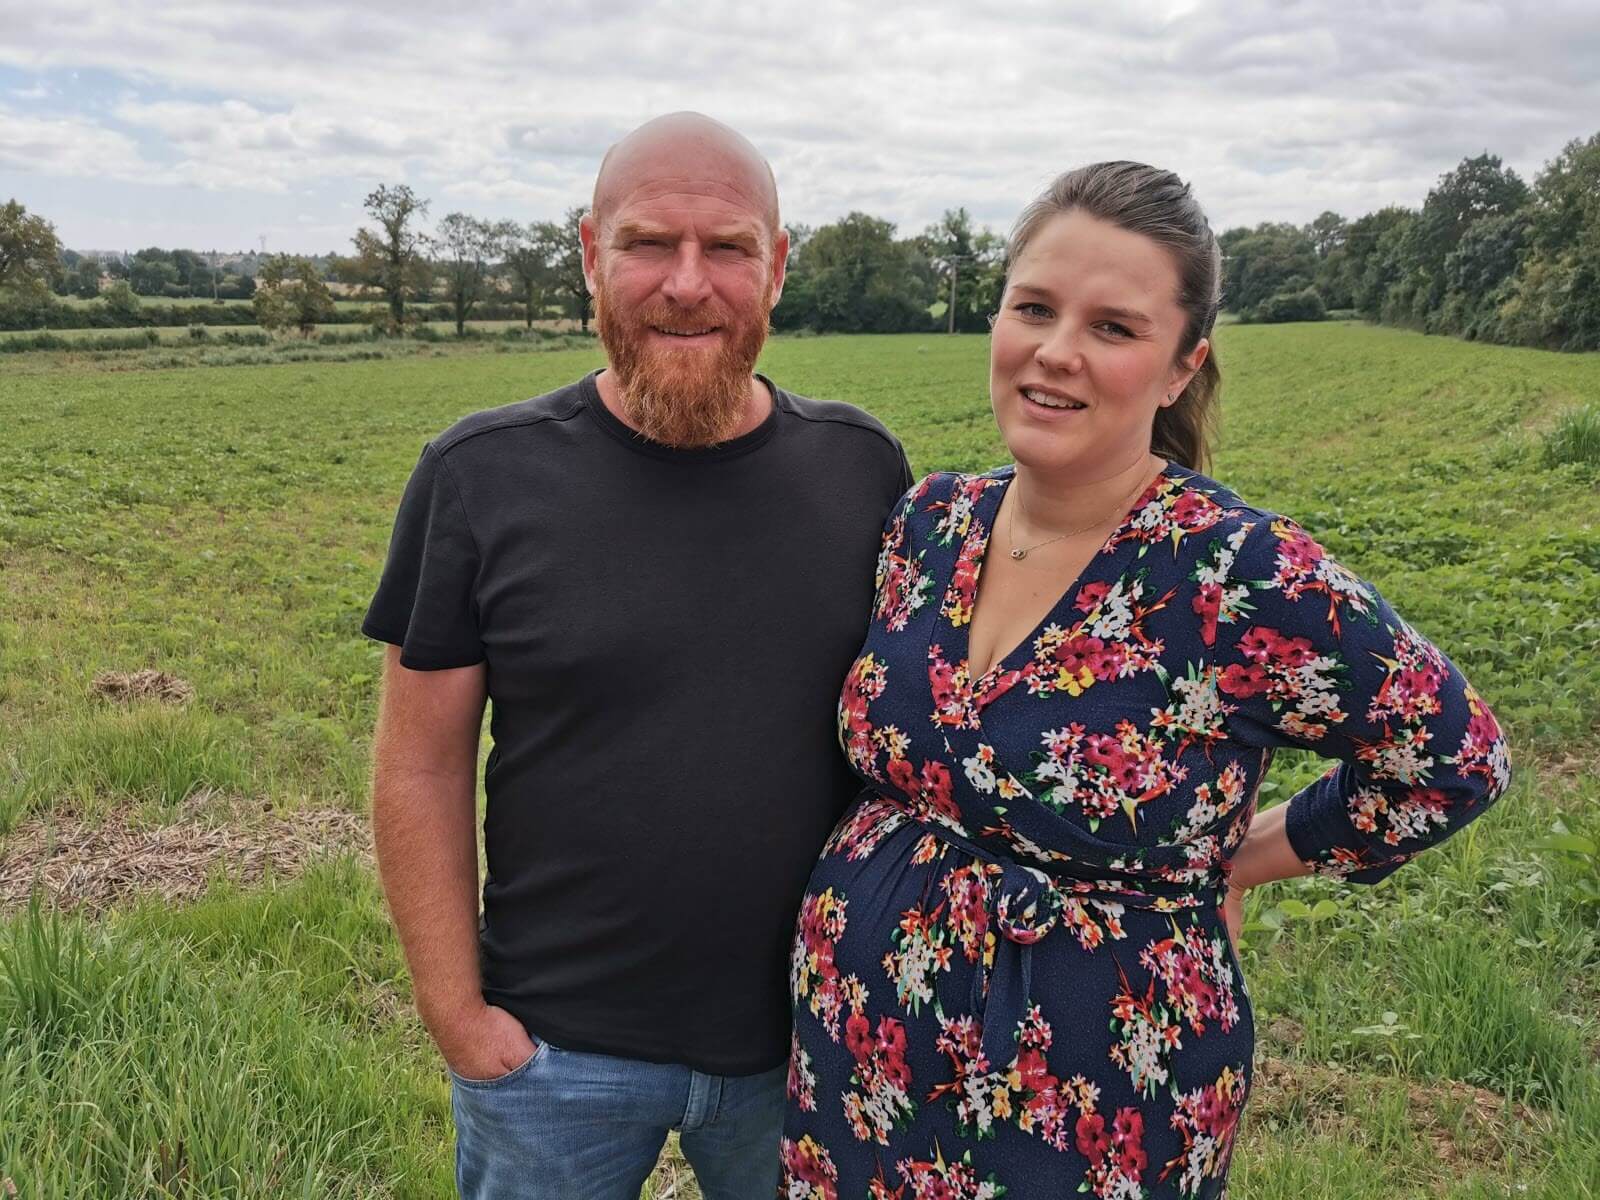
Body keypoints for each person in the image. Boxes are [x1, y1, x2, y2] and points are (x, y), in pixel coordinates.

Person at [779, 162, 1512, 1200]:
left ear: (1181, 366)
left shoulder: (1234, 574)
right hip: (859, 1065)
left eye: (1113, 328)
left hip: (1091, 1094)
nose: (1055, 351)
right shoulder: (928, 523)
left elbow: (1458, 758)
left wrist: (1245, 859)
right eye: (1033, 308)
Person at [362, 112, 911, 1200]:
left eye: (729, 249)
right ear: (589, 255)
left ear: (779, 265)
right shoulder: (479, 478)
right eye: (650, 243)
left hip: (808, 1043)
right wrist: (459, 1018)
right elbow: (418, 762)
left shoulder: (861, 469)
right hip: (555, 1055)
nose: (687, 284)